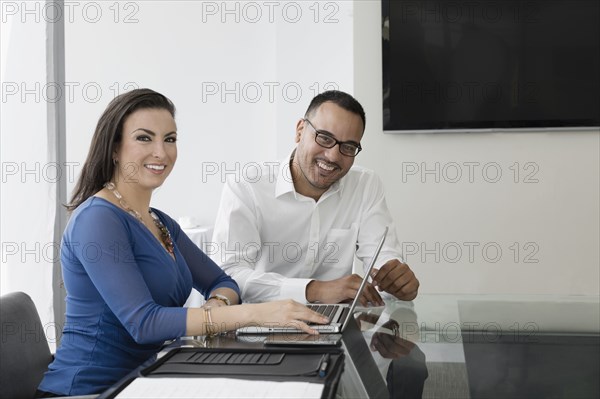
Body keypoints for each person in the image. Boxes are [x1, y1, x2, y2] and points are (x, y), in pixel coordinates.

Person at [36, 89, 328, 397]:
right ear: (114, 148)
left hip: (145, 380)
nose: (161, 152)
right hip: (87, 390)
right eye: (144, 138)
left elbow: (222, 281)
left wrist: (217, 304)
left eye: (170, 139)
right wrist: (257, 313)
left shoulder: (159, 221)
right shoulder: (97, 220)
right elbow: (144, 323)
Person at [211, 90, 419, 306]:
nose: (332, 156)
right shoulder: (247, 186)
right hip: (261, 325)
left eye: (348, 147)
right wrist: (314, 290)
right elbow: (229, 275)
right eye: (324, 138)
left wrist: (397, 282)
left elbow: (383, 260)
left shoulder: (365, 185)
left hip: (334, 326)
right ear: (300, 131)